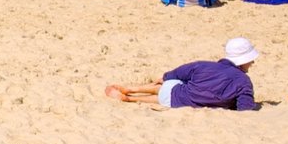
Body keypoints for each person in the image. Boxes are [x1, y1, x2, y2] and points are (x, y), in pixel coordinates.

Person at [107, 38, 262, 109]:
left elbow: (178, 73)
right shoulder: (244, 82)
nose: (252, 63)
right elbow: (245, 108)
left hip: (175, 93)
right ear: (243, 60)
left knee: (171, 85)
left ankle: (133, 89)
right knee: (164, 99)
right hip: (176, 103)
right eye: (251, 60)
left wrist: (165, 77)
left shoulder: (204, 65)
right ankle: (130, 98)